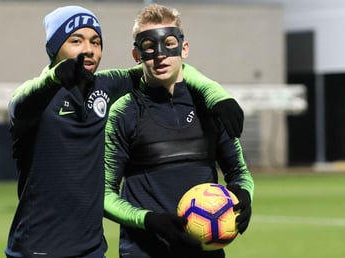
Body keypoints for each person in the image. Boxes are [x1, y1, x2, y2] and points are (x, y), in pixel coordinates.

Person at [5, 5, 244, 258]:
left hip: (93, 250)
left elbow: (168, 67)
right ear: (54, 48)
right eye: (76, 40)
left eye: (95, 42)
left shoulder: (104, 86)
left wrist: (216, 96)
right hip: (37, 249)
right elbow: (21, 102)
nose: (88, 49)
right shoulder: (33, 98)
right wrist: (53, 78)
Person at [103, 4, 254, 258]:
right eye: (149, 47)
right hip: (143, 253)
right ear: (136, 55)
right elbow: (104, 194)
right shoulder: (123, 112)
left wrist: (245, 196)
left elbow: (239, 172)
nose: (160, 55)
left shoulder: (211, 107)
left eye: (169, 43)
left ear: (184, 48)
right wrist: (149, 220)